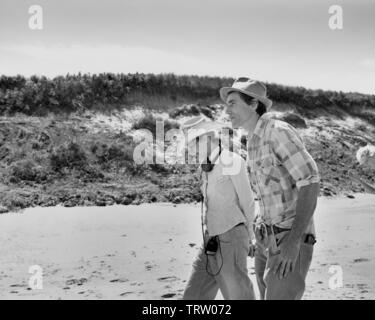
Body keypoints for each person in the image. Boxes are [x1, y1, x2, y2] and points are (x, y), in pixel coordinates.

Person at [220, 77, 320, 300]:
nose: (227, 111)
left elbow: (311, 181)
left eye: (232, 103)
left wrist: (293, 242)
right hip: (266, 241)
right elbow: (267, 194)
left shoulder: (277, 131)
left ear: (254, 104)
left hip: (288, 240)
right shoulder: (253, 141)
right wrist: (258, 229)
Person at [181, 116, 256, 300]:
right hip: (210, 241)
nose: (189, 150)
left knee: (239, 297)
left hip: (232, 239)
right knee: (193, 297)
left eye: (191, 144)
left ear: (205, 138)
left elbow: (248, 201)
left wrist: (252, 237)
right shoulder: (205, 166)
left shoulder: (233, 161)